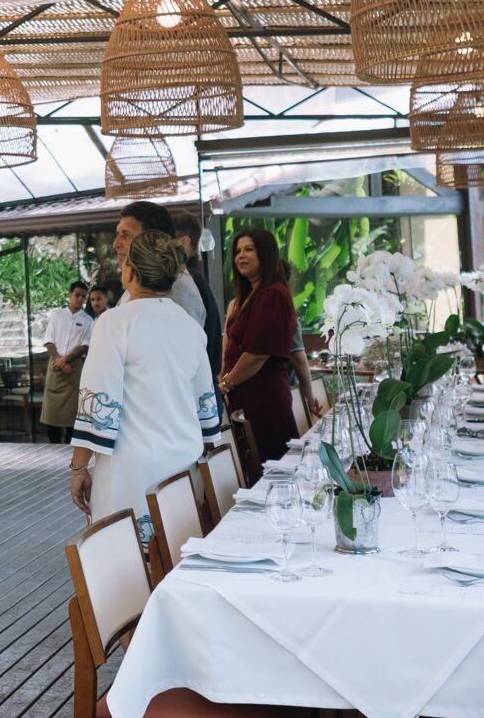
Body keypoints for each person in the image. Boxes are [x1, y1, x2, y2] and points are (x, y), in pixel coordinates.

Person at [70, 230, 218, 526]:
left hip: (131, 471)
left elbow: (97, 406)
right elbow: (204, 409)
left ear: (131, 271)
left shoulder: (114, 322)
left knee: (130, 564)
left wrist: (78, 468)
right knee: (176, 558)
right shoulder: (189, 327)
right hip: (183, 465)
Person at [220, 228, 322, 461]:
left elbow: (256, 355)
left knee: (271, 469)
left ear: (266, 254)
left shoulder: (272, 295)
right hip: (246, 398)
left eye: (248, 249)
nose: (240, 256)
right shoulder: (248, 297)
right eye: (237, 251)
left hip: (264, 399)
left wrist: (225, 385)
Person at [113, 201, 206, 328]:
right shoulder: (143, 281)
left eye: (126, 235)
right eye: (118, 234)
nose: (116, 244)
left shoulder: (178, 288)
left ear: (152, 238)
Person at [39, 281, 92, 445]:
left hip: (74, 369)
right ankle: (54, 446)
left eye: (83, 296)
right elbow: (48, 341)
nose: (80, 299)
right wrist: (59, 361)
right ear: (69, 295)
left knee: (72, 414)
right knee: (51, 412)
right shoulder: (56, 315)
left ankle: (69, 448)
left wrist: (66, 360)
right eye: (77, 295)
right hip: (55, 366)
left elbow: (85, 345)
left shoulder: (88, 320)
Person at [172, 210, 223, 380]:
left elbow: (187, 350)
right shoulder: (189, 276)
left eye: (165, 240)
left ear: (184, 242)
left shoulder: (184, 280)